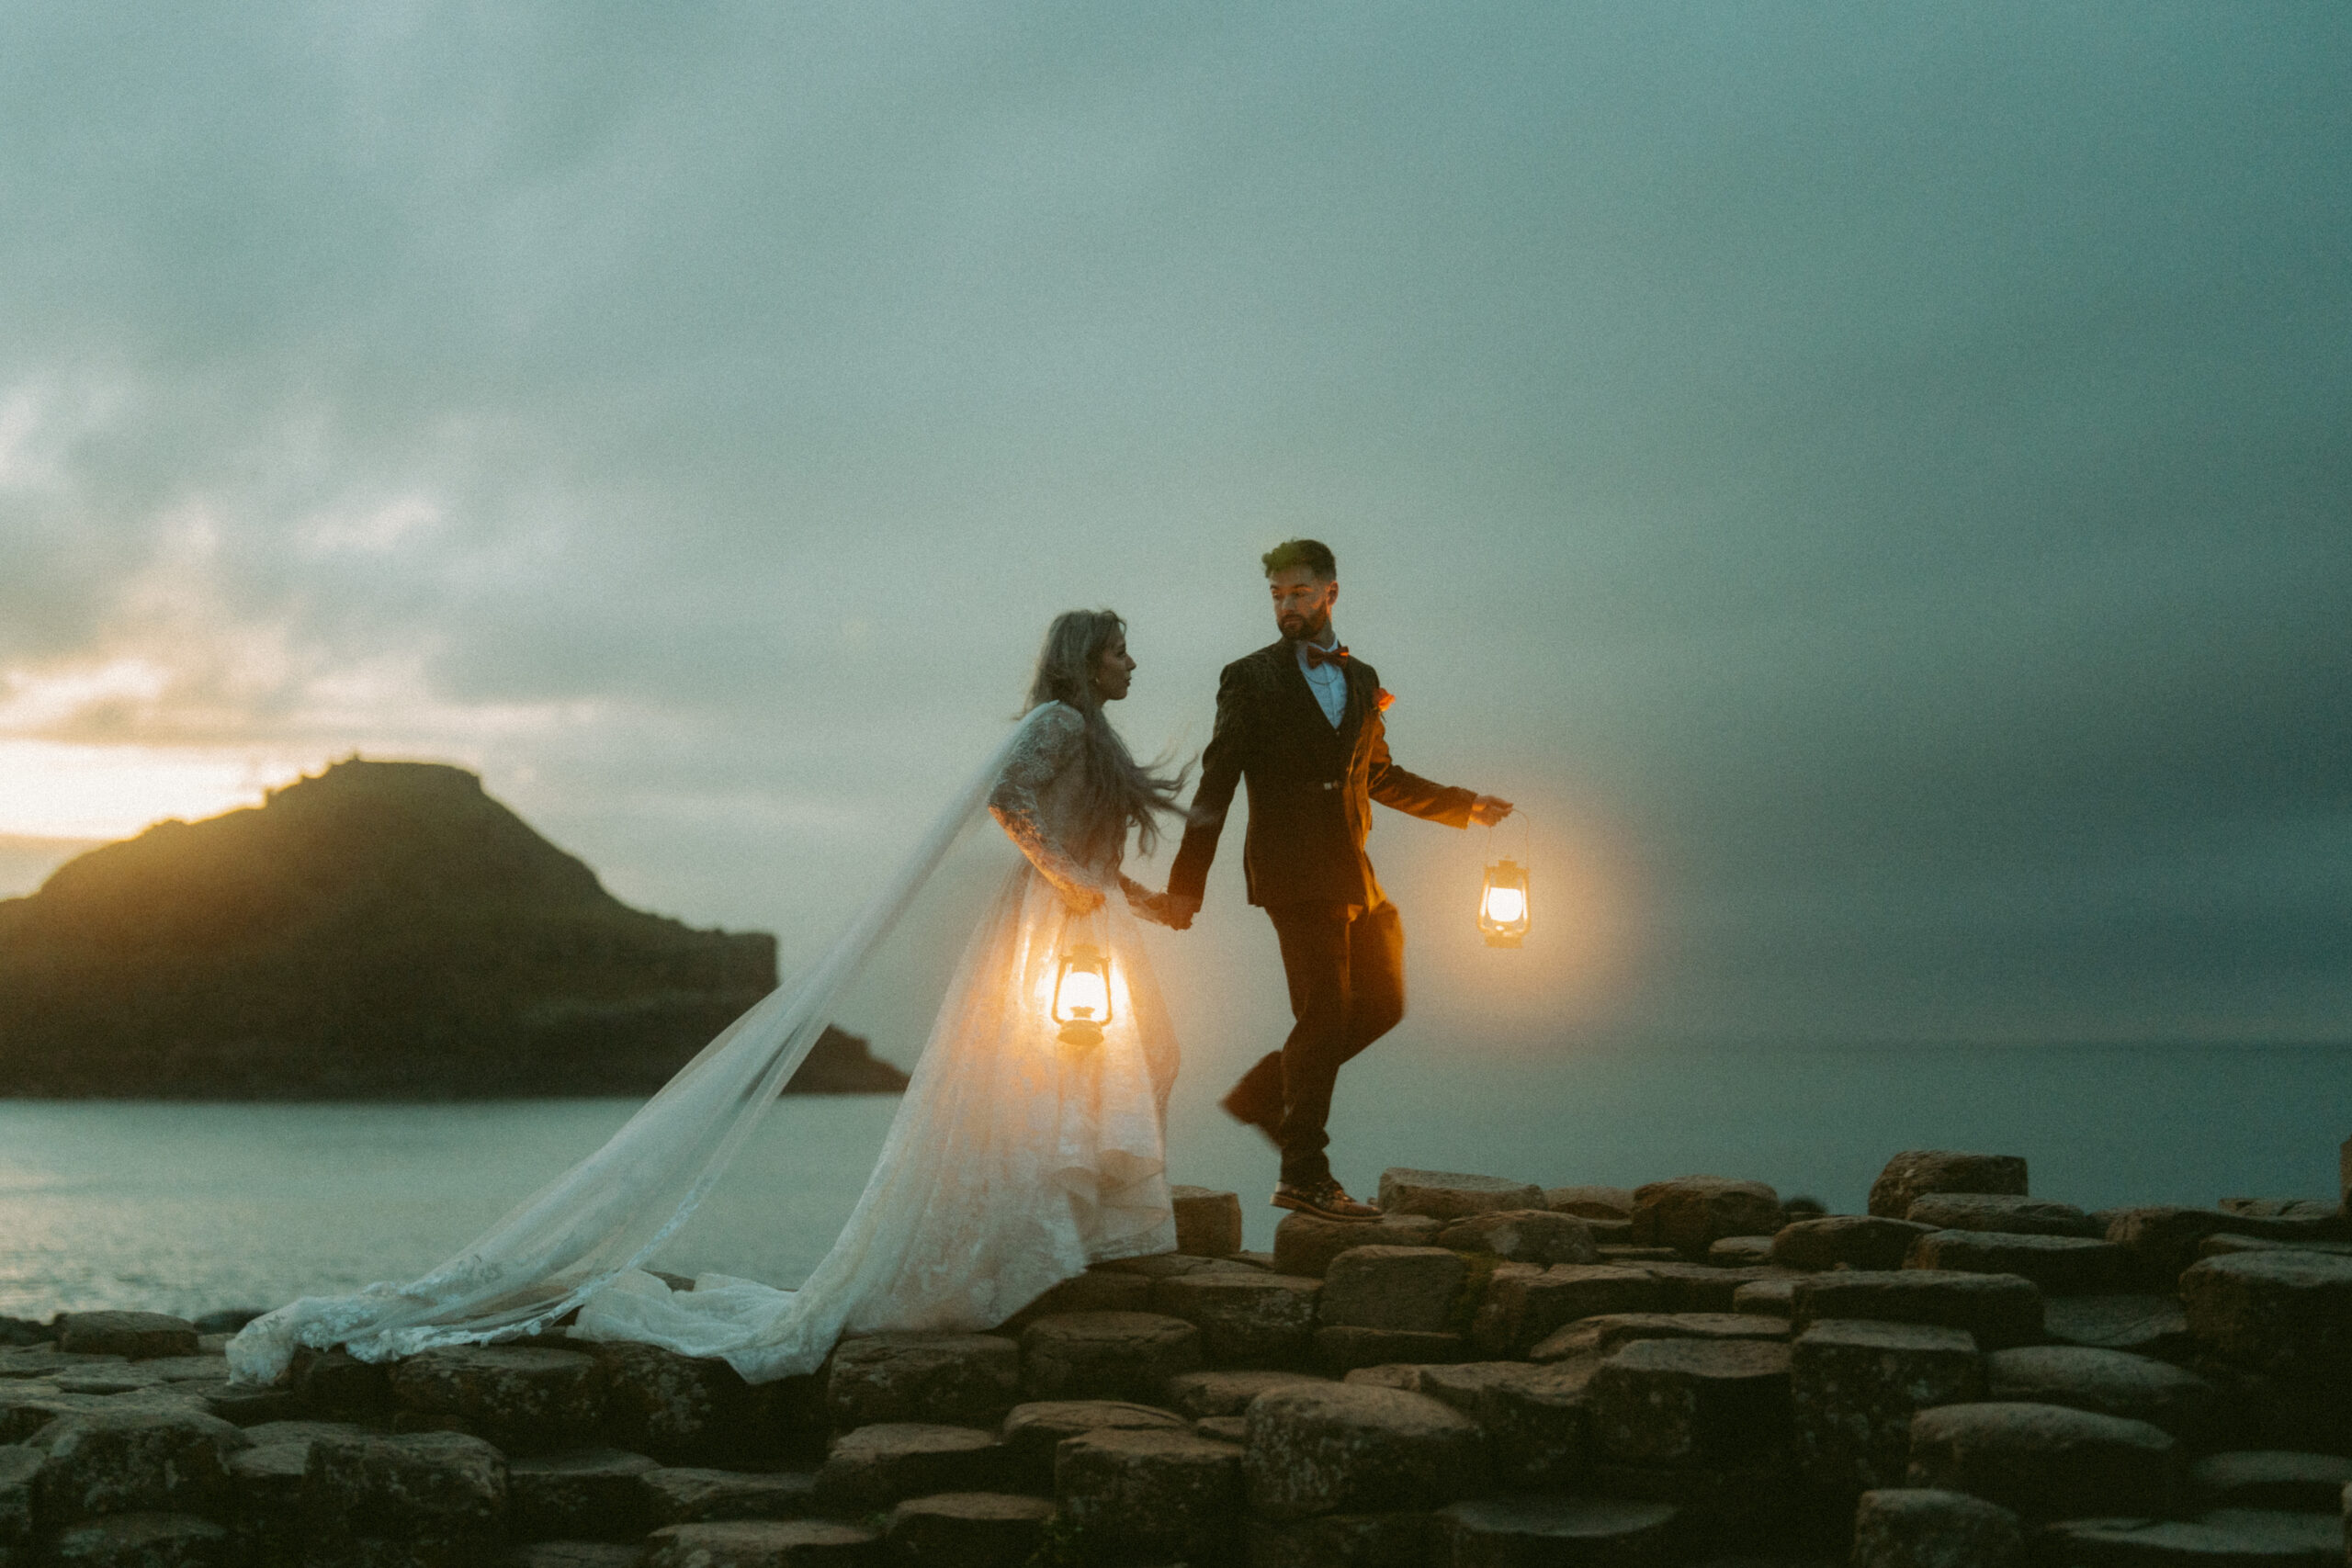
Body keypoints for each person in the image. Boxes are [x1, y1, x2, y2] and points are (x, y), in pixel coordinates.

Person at [230, 610, 1187, 1385]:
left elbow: (1078, 834)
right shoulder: (1057, 724)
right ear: (1081, 662)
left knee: (1122, 1065)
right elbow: (1008, 806)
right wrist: (1068, 883)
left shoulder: (1092, 735)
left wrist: (1129, 894)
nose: (1132, 663)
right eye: (1118, 651)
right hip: (1057, 920)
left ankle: (1075, 1229)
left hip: (1091, 918)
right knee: (1066, 1070)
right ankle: (1053, 1237)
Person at [1159, 539, 1510, 1223]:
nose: (1286, 605)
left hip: (1355, 871)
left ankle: (1266, 1089)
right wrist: (1185, 885)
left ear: (1330, 593)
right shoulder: (1249, 677)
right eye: (1276, 596)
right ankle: (1304, 1175)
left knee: (1382, 1002)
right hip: (1291, 869)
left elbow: (1378, 775)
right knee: (1323, 1012)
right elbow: (1216, 782)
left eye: (1298, 592)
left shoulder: (1360, 677)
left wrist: (1465, 806)